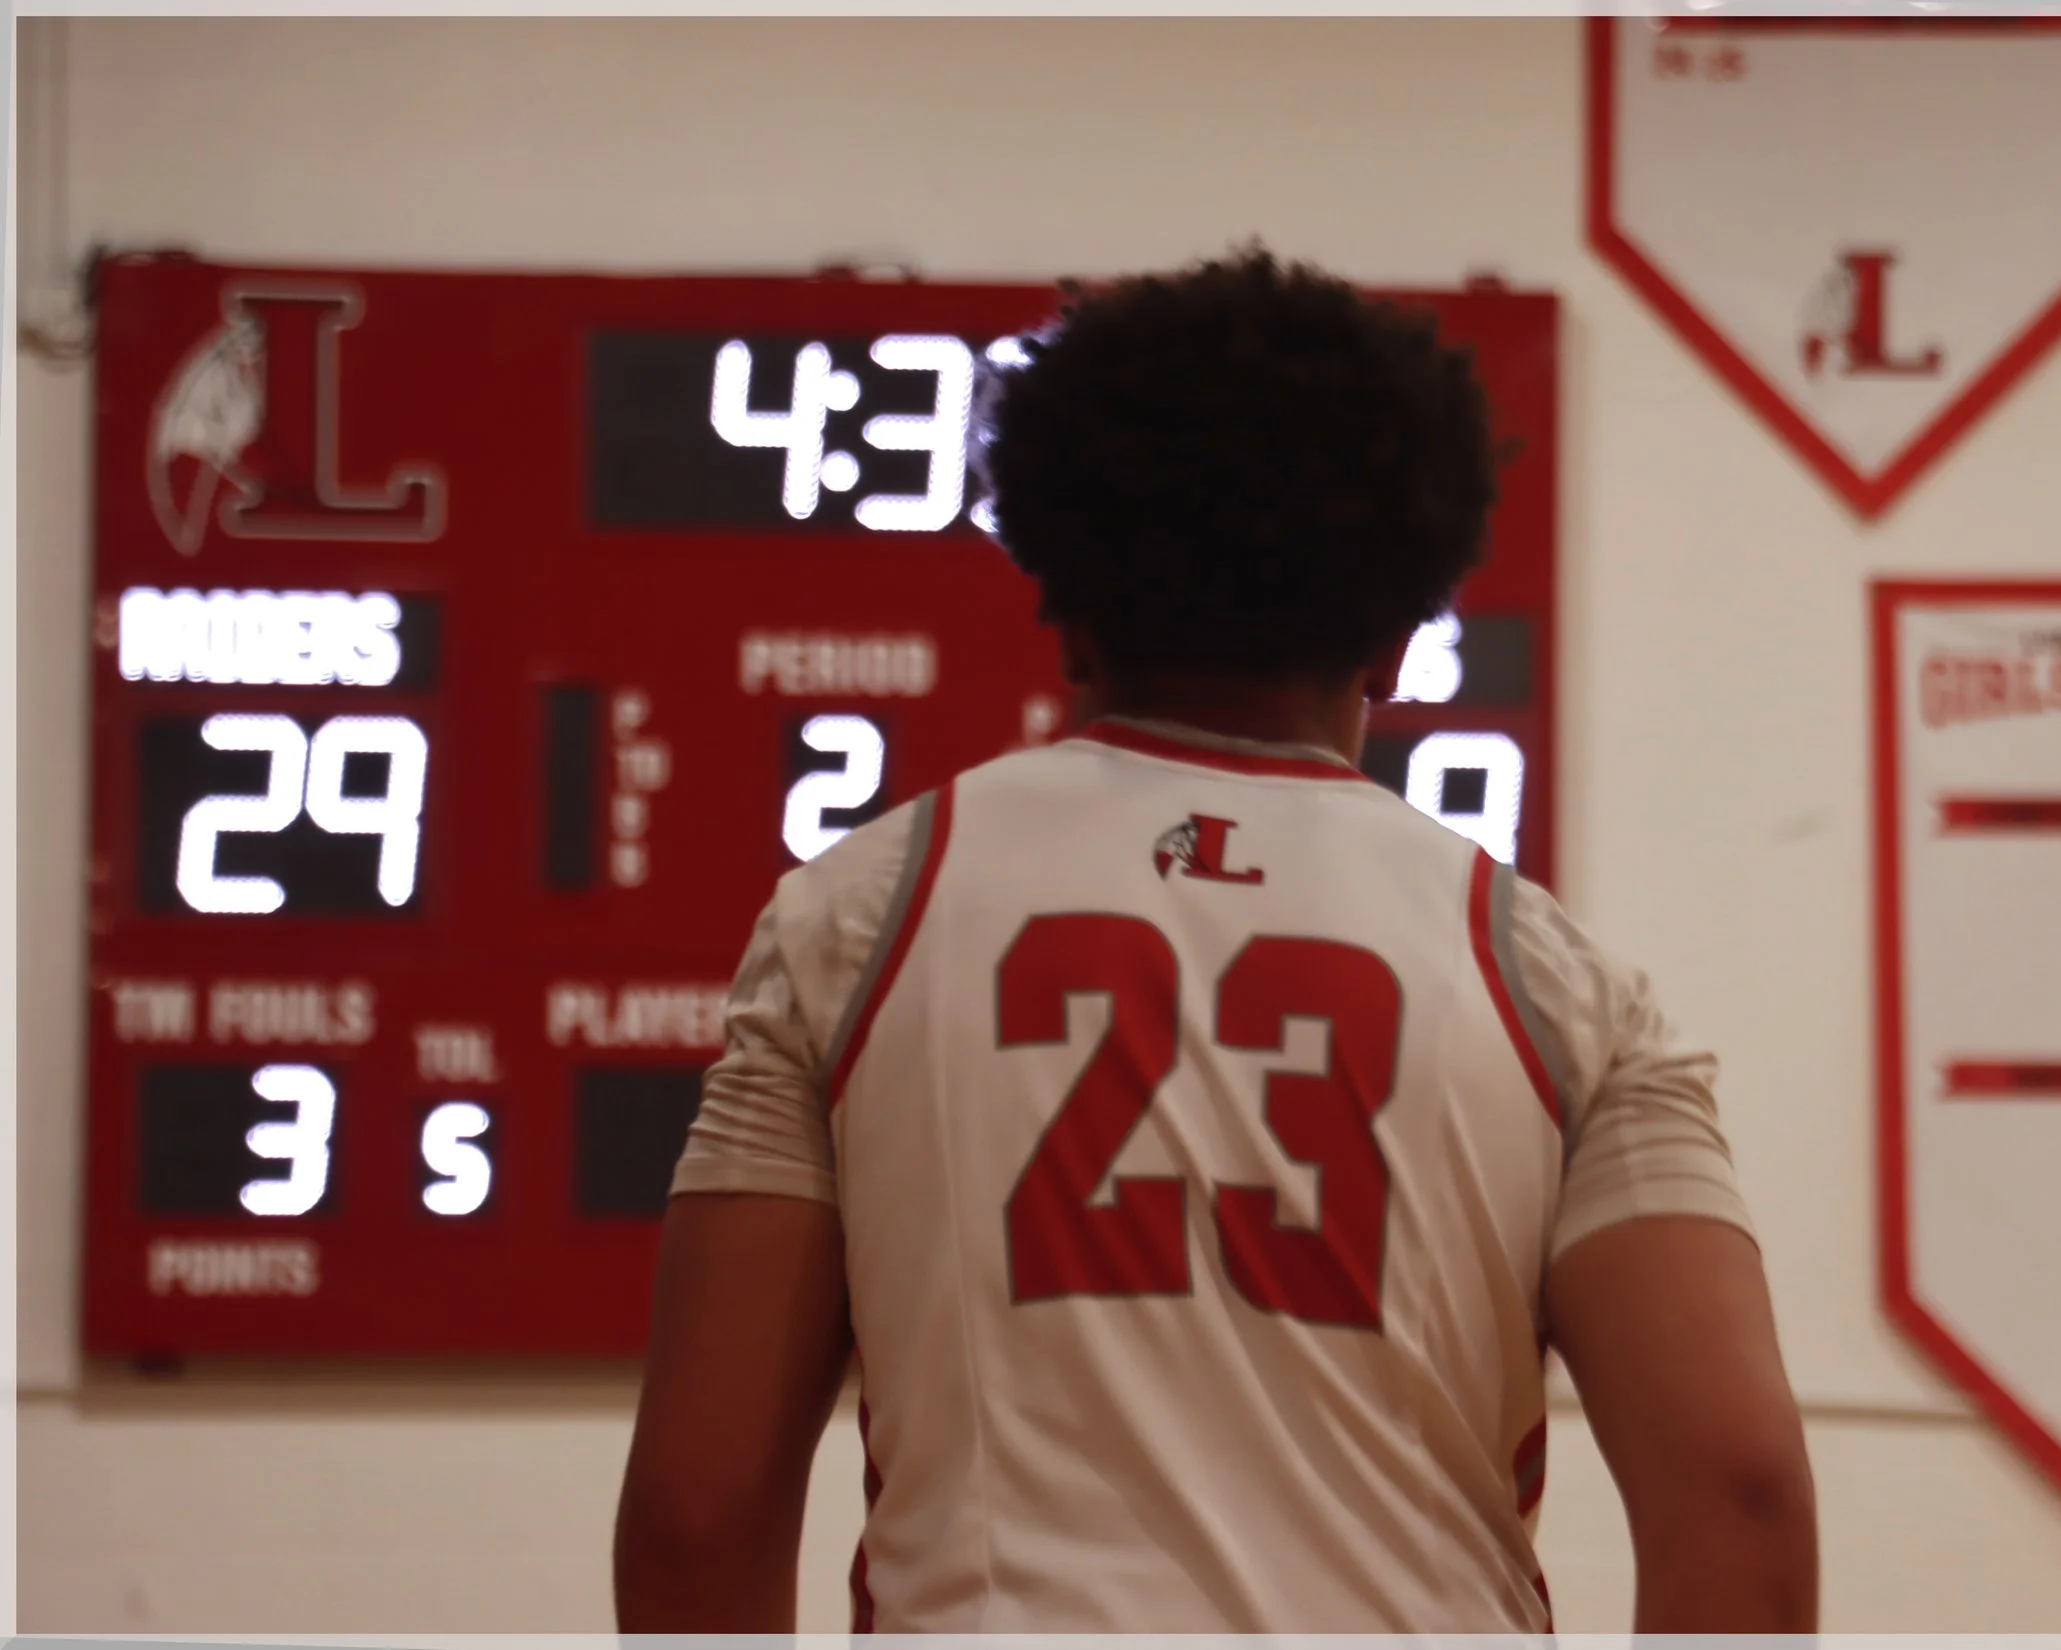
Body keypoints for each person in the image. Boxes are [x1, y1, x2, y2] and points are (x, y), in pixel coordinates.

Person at [613, 249, 1817, 1634]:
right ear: (1402, 633)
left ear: (1063, 606)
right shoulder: (1560, 983)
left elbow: (699, 1511)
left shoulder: (855, 916)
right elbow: (1740, 1494)